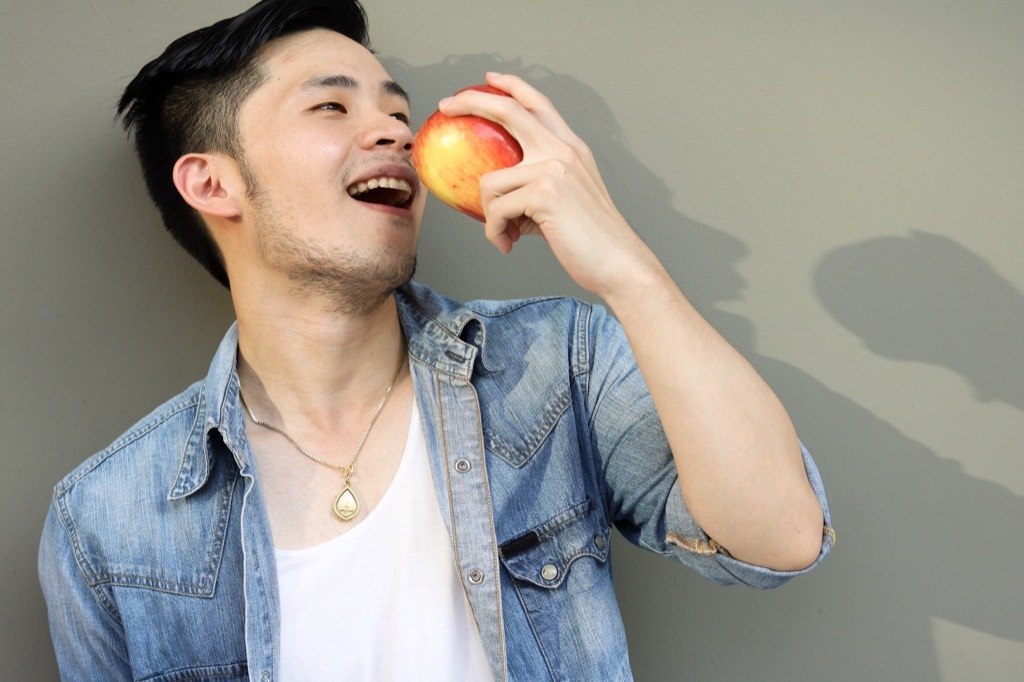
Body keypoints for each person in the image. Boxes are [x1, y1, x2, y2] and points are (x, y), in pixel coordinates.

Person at [38, 0, 833, 679]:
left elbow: (779, 540)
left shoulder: (556, 363)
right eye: (331, 107)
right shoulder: (105, 520)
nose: (393, 132)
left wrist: (628, 270)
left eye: (397, 111)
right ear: (212, 183)